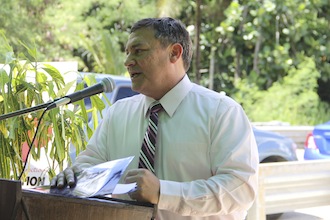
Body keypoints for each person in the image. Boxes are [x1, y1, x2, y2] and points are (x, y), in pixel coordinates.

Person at [51, 17, 259, 219]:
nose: (128, 62)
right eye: (127, 53)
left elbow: (239, 189)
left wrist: (163, 192)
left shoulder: (221, 112)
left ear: (174, 53)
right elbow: (90, 163)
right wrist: (75, 176)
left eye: (138, 51)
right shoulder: (118, 114)